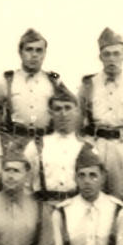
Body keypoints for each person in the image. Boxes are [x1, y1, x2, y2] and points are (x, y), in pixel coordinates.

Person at [78, 27, 123, 197]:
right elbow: (78, 121)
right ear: (100, 57)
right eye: (107, 54)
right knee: (91, 195)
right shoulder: (88, 84)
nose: (112, 59)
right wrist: (84, 148)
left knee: (121, 198)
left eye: (116, 54)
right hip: (95, 145)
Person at [0, 28, 61, 152]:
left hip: (46, 144)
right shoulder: (7, 81)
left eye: (39, 50)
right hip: (15, 143)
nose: (34, 55)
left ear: (44, 54)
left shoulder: (54, 82)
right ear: (20, 52)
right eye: (29, 49)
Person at [33, 84, 85, 224]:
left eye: (68, 108)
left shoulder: (85, 147)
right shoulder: (37, 146)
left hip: (76, 210)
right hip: (45, 210)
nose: (63, 114)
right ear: (50, 113)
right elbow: (27, 186)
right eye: (58, 109)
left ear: (76, 111)